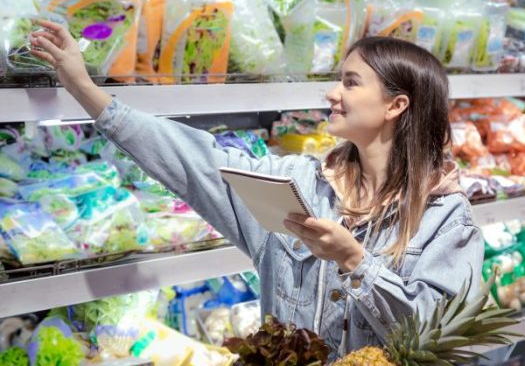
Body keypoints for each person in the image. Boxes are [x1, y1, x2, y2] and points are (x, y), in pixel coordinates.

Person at [29, 20, 484, 358]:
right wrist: (85, 89)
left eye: (349, 82)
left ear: (396, 104)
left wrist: (355, 262)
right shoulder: (298, 183)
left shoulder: (446, 218)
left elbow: (441, 340)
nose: (331, 93)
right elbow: (195, 160)